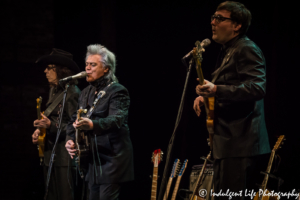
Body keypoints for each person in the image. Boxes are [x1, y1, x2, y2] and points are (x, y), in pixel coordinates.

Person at [193, 1, 270, 198]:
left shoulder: (246, 48)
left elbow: (257, 87)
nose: (213, 22)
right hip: (227, 143)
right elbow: (231, 88)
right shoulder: (228, 50)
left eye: (220, 18)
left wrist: (216, 89)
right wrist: (206, 97)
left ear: (237, 25)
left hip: (239, 143)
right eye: (213, 17)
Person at [65, 44, 134, 200]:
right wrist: (70, 140)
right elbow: (72, 120)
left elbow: (117, 119)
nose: (87, 68)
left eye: (93, 65)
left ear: (106, 69)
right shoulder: (85, 93)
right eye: (87, 64)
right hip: (91, 160)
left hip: (111, 160)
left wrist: (92, 125)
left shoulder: (117, 91)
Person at [32, 49, 81, 200]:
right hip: (51, 155)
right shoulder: (54, 91)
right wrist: (40, 131)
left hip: (65, 159)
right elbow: (53, 121)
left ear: (60, 70)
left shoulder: (73, 92)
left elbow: (76, 126)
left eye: (50, 67)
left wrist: (51, 126)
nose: (45, 71)